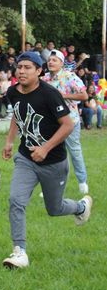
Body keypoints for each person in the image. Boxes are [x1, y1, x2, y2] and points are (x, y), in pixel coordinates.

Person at [1, 51, 92, 269]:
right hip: (26, 158)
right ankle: (19, 252)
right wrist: (10, 140)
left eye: (27, 67)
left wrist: (46, 147)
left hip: (53, 162)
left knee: (54, 208)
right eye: (19, 67)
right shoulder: (13, 92)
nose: (21, 71)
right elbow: (18, 114)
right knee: (16, 200)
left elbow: (68, 125)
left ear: (39, 71)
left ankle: (80, 207)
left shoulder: (50, 94)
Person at [42, 50, 89, 194]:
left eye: (54, 60)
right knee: (50, 153)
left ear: (61, 63)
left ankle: (82, 183)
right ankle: (49, 186)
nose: (51, 62)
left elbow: (84, 95)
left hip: (70, 122)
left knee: (74, 151)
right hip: (52, 123)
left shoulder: (70, 76)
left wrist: (64, 95)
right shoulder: (44, 80)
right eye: (49, 60)